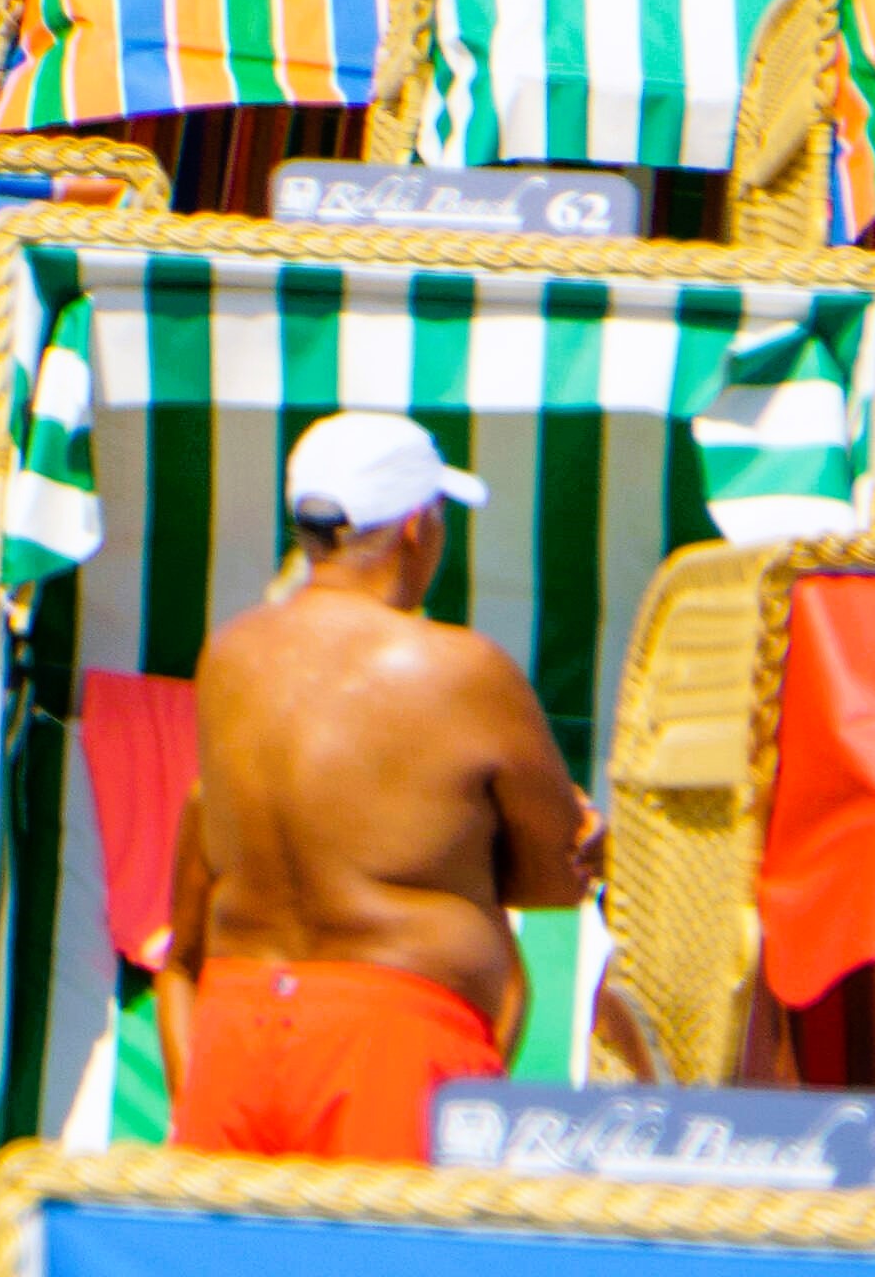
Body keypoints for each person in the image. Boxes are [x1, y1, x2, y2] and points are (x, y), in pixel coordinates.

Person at [163, 414, 589, 1161]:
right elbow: (557, 876)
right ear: (417, 528)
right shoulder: (461, 670)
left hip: (237, 1025)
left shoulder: (227, 654)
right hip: (388, 1040)